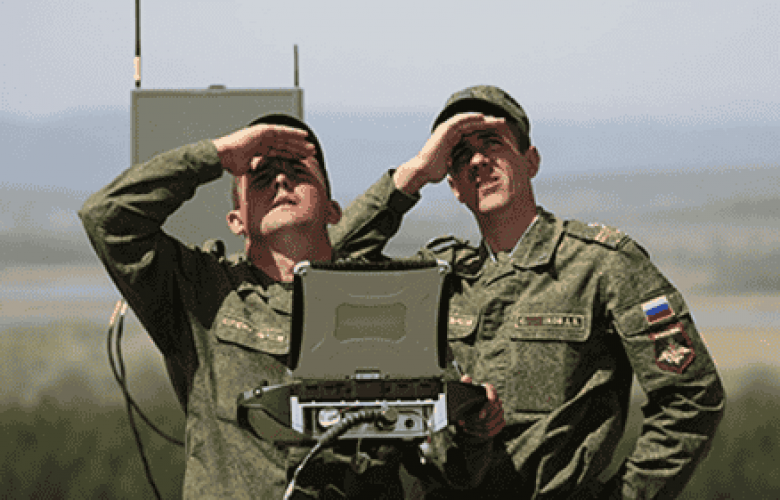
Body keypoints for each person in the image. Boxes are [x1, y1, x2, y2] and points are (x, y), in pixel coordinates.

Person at [79, 112, 503, 500]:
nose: (281, 182)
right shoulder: (201, 292)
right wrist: (220, 155)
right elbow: (106, 217)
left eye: (298, 173)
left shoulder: (390, 298)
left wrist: (474, 430)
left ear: (334, 211)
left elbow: (451, 470)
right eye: (261, 178)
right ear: (236, 220)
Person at [332, 85, 726, 499]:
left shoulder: (600, 265)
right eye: (460, 154)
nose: (478, 161)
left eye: (492, 143)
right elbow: (325, 274)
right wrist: (412, 176)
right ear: (453, 185)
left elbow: (692, 399)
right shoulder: (437, 278)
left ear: (531, 160)